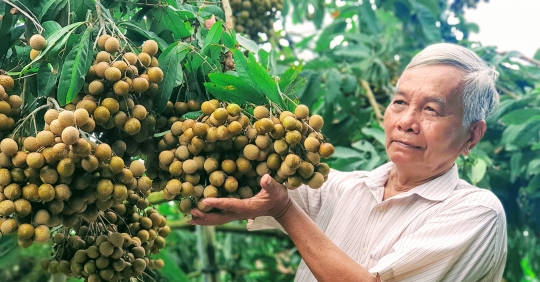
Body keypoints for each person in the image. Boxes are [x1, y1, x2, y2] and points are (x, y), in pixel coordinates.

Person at [189, 43, 507, 282]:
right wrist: (213, 64)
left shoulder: (477, 212)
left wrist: (283, 210)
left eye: (431, 110)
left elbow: (280, 203)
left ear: (472, 136)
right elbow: (252, 175)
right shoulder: (344, 188)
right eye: (399, 102)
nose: (406, 121)